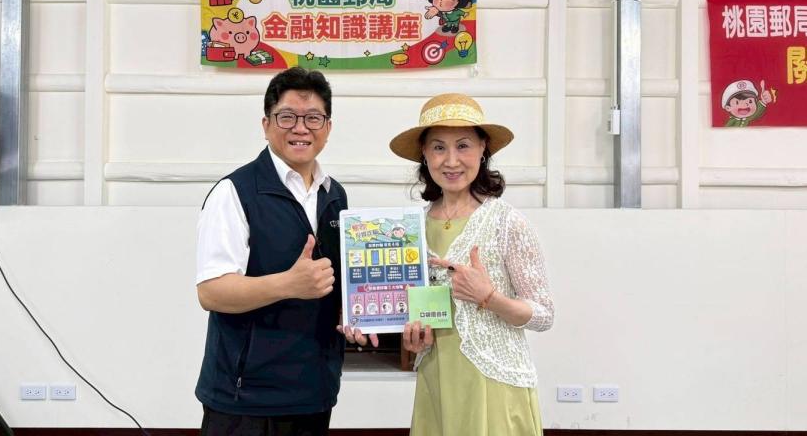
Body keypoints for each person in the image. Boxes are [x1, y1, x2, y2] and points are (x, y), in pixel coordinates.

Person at [195, 67, 358, 436]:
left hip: (315, 391)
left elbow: (333, 284)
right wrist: (288, 284)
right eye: (287, 117)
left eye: (313, 118)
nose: (301, 128)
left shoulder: (335, 195)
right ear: (266, 125)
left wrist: (357, 313)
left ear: (328, 128)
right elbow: (211, 292)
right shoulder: (234, 192)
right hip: (246, 400)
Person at [389, 92, 555, 436]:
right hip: (437, 380)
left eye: (463, 145)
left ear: (483, 149)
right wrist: (413, 339)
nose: (451, 160)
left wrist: (489, 297)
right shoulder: (409, 230)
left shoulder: (506, 222)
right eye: (439, 147)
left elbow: (543, 315)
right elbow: (413, 312)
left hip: (495, 384)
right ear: (424, 154)